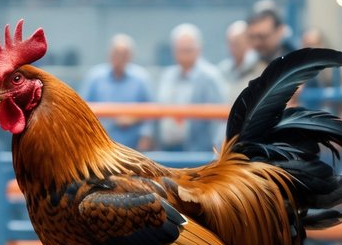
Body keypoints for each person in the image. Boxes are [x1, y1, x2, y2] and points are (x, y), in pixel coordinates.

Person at [153, 24, 227, 153]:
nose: (184, 55)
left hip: (198, 152)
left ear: (199, 49)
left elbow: (218, 121)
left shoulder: (210, 77)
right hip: (167, 149)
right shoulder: (167, 76)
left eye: (188, 50)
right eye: (181, 50)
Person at [81, 34, 153, 150]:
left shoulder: (141, 79)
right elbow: (82, 110)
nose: (119, 58)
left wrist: (144, 135)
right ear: (109, 54)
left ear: (130, 56)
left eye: (124, 54)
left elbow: (150, 112)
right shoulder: (95, 78)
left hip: (133, 146)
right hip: (100, 144)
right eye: (116, 53)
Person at [217, 19, 258, 102]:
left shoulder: (261, 69)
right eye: (230, 43)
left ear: (249, 42)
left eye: (237, 43)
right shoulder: (221, 70)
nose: (232, 48)